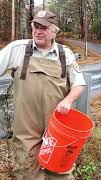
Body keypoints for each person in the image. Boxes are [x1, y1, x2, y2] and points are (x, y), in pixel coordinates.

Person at [0, 10, 86, 180]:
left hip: (58, 133)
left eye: (44, 27)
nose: (38, 31)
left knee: (60, 174)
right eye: (35, 26)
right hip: (26, 133)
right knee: (27, 174)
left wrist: (68, 100)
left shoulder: (65, 54)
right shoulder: (17, 49)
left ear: (55, 30)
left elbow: (79, 84)